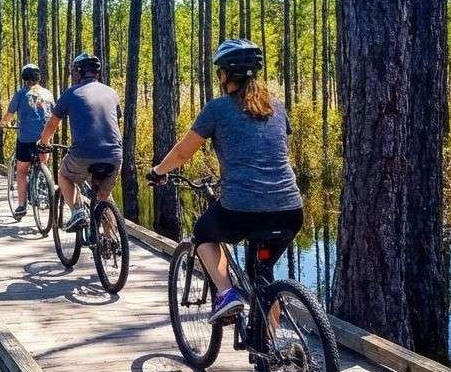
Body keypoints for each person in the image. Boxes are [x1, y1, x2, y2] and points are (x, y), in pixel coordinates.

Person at [147, 39, 303, 323]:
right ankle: (271, 348)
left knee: (203, 232)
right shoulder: (276, 107)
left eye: (219, 71)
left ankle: (226, 293)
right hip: (291, 210)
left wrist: (158, 171)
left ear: (226, 75)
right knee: (263, 276)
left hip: (242, 210)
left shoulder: (218, 109)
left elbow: (183, 153)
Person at [38, 52, 121, 230]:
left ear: (78, 72)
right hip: (114, 154)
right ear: (96, 73)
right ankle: (111, 240)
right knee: (104, 196)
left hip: (83, 153)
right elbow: (116, 118)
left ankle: (77, 211)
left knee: (64, 175)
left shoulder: (70, 93)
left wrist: (43, 143)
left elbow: (52, 123)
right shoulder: (112, 92)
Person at [0, 64, 55, 218]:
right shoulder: (48, 94)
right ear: (38, 77)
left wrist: (3, 123)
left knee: (22, 172)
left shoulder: (21, 94)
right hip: (45, 139)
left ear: (24, 78)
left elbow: (9, 115)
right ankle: (44, 192)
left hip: (26, 140)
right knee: (43, 164)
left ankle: (21, 205)